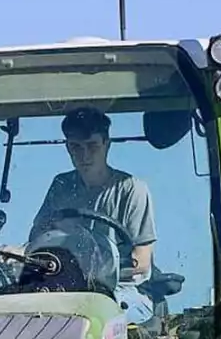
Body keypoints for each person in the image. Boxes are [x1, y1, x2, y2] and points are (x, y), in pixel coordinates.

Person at [30, 107, 155, 282]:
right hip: (65, 285)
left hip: (121, 289)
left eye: (92, 146)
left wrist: (94, 274)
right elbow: (37, 241)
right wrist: (18, 252)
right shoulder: (61, 186)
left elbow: (141, 262)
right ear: (67, 148)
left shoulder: (131, 189)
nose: (84, 155)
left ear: (107, 144)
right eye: (76, 147)